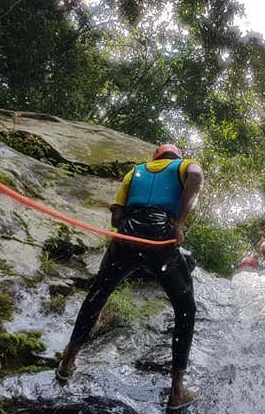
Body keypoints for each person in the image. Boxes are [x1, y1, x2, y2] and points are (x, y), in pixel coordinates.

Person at [56, 143, 203, 411]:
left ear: (155, 157)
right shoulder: (183, 166)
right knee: (186, 309)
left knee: (97, 296)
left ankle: (67, 362)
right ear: (176, 157)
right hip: (160, 242)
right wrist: (179, 223)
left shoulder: (134, 172)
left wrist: (130, 226)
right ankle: (177, 391)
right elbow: (196, 176)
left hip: (126, 239)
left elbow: (116, 217)